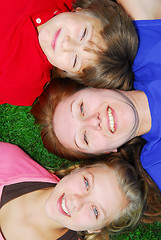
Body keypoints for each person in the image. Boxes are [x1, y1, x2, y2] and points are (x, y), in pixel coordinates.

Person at [0, 141, 154, 240]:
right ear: (77, 170)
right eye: (86, 183)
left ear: (95, 228)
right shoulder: (7, 160)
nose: (77, 201)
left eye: (95, 211)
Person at [0, 0, 137, 106]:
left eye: (75, 60)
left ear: (65, 71)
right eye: (83, 34)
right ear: (84, 11)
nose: (66, 44)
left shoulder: (21, 85)